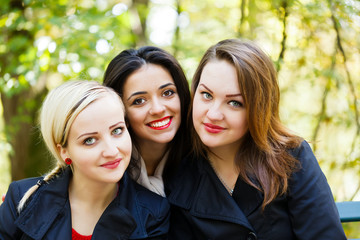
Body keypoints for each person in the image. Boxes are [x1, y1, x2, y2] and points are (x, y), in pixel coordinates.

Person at [167, 39, 346, 239]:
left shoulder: (292, 158)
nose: (214, 114)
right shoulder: (178, 170)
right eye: (207, 95)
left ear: (259, 109)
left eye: (234, 102)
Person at [0, 80, 169, 239]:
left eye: (117, 131)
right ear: (64, 152)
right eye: (89, 140)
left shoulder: (153, 213)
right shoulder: (21, 199)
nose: (111, 151)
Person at [103, 46, 191, 197]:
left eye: (168, 93)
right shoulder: (105, 171)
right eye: (139, 101)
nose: (157, 109)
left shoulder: (202, 161)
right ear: (121, 112)